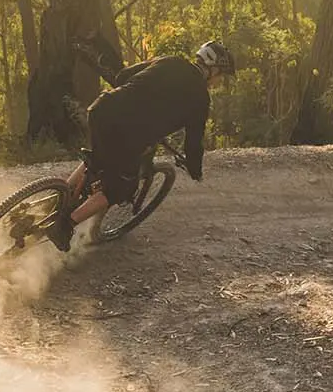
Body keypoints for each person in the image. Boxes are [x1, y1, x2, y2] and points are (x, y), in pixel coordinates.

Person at [49, 40, 235, 250]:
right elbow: (193, 143)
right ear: (212, 69)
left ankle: (58, 198)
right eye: (221, 75)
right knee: (121, 187)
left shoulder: (170, 61)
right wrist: (195, 169)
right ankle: (65, 226)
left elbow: (122, 76)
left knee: (98, 158)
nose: (219, 81)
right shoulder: (201, 99)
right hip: (127, 132)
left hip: (102, 109)